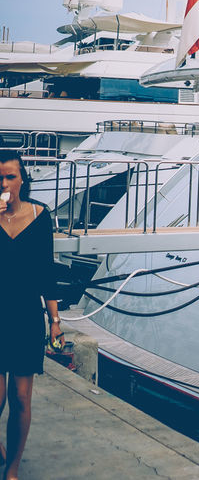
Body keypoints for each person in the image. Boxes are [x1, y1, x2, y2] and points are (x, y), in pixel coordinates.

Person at [0, 149, 61, 480]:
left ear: (23, 179)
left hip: (25, 315)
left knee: (21, 399)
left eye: (11, 176)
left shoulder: (40, 215)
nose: (5, 183)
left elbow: (46, 271)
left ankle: (12, 469)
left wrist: (55, 321)